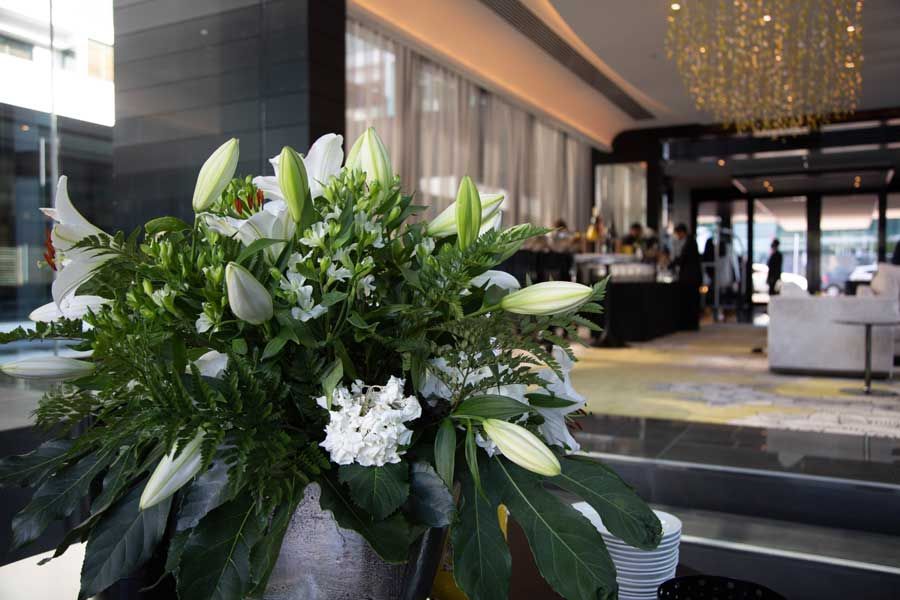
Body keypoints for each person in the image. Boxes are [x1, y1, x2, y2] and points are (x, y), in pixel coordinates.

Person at [671, 223, 702, 331]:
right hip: (691, 277)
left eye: (677, 234)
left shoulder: (690, 243)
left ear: (682, 232)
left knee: (690, 302)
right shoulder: (689, 242)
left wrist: (671, 264)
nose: (677, 237)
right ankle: (691, 324)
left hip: (690, 278)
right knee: (691, 302)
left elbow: (682, 259)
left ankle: (690, 325)